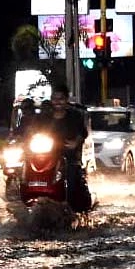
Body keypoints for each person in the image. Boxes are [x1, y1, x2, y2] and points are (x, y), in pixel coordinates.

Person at [47, 84, 93, 213]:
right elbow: (33, 131)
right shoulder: (44, 117)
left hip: (69, 155)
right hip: (47, 154)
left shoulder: (75, 116)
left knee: (72, 175)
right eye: (55, 99)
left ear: (66, 100)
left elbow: (82, 132)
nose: (57, 102)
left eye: (60, 99)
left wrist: (75, 142)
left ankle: (73, 207)